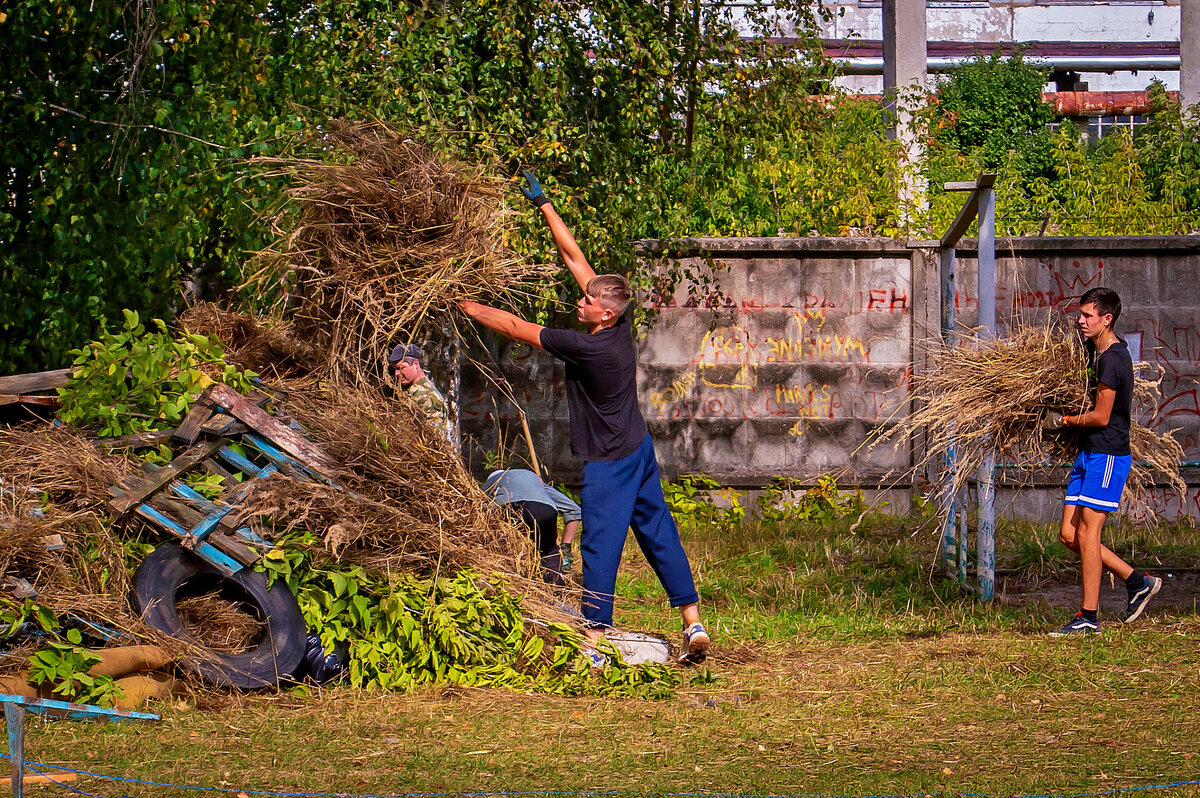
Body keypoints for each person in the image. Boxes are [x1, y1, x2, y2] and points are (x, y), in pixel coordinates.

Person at [458, 169, 710, 665]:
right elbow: (574, 258)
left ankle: (594, 644)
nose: (582, 299)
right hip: (638, 449)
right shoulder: (617, 323)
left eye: (589, 300)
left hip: (611, 461)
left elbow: (512, 325)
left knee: (598, 546)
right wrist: (545, 204)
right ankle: (693, 622)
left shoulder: (586, 348)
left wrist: (461, 301)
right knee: (657, 530)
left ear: (605, 314)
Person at [1044, 287, 1162, 635]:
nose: (1080, 320)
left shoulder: (1112, 358)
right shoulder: (1093, 352)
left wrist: (1063, 420)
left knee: (1088, 533)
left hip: (1108, 455)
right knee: (1069, 535)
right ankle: (1137, 580)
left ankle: (1088, 617)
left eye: (1087, 316)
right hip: (1088, 453)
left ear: (1106, 319)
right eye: (1080, 314)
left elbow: (1100, 416)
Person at [482, 468, 581, 586]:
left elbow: (478, 509)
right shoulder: (535, 480)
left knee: (501, 548)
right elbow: (574, 510)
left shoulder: (492, 482)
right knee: (549, 550)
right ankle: (556, 589)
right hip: (545, 510)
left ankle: (508, 585)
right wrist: (565, 548)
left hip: (511, 509)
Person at [388, 343, 451, 443]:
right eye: (395, 369)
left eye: (401, 368)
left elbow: (433, 441)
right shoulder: (412, 392)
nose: (397, 374)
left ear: (416, 364)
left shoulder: (427, 397)